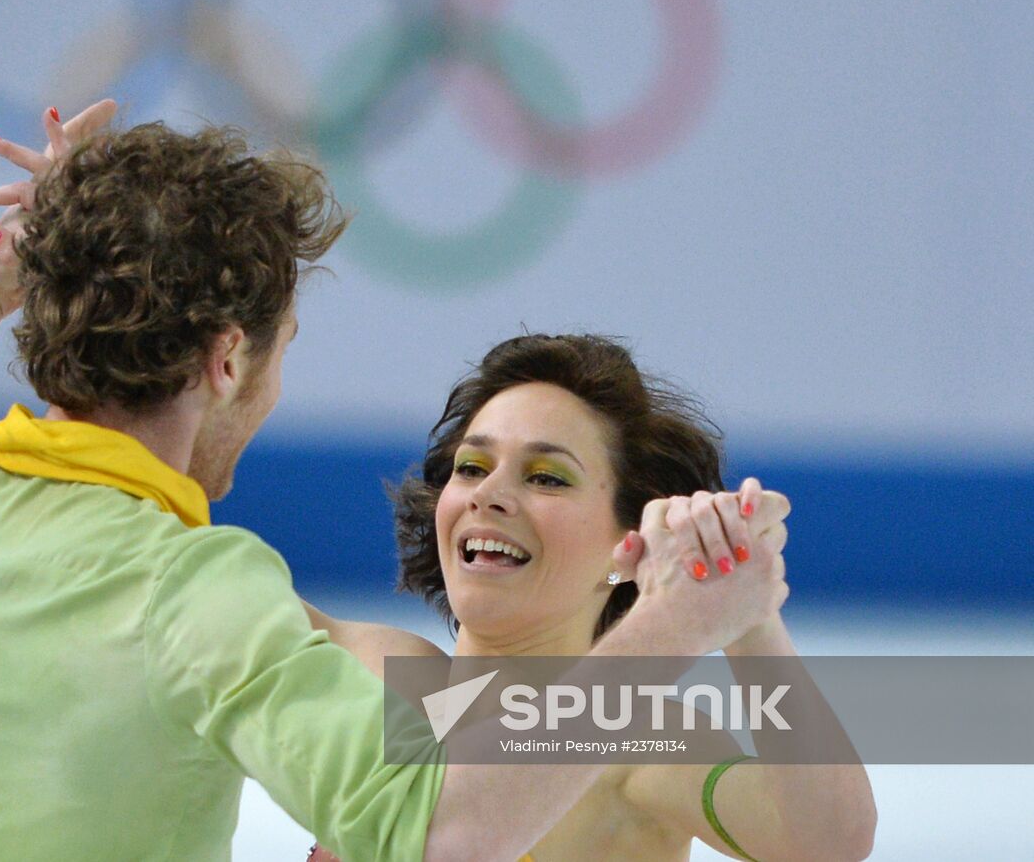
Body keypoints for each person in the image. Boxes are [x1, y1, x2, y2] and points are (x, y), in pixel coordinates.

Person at [0, 102, 793, 861]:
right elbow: (440, 834)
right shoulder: (198, 595)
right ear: (226, 359)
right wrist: (677, 621)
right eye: (278, 350)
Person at [308, 334, 877, 861]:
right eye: (472, 466)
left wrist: (746, 612)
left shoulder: (638, 745)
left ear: (628, 543)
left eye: (547, 477)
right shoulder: (371, 671)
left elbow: (829, 841)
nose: (488, 494)